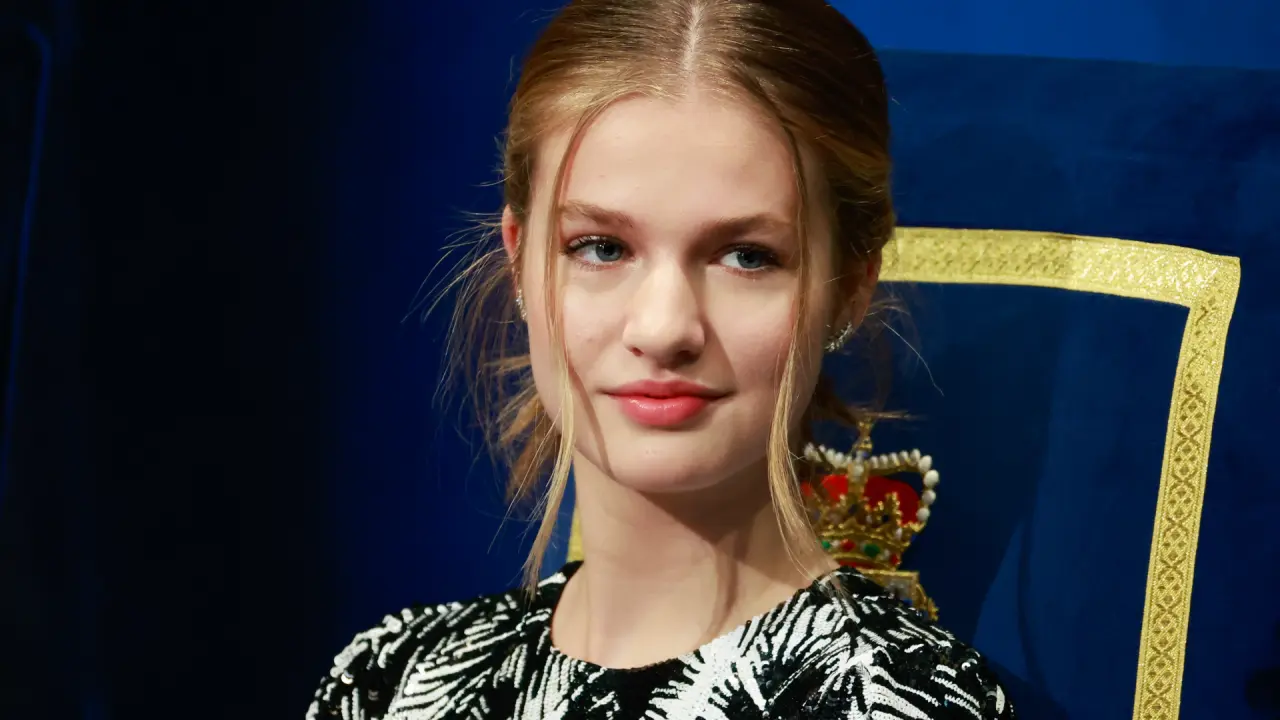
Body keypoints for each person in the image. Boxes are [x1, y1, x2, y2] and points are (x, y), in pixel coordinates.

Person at [307, 0, 1014, 717]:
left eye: (747, 256)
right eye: (601, 248)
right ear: (519, 260)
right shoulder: (387, 681)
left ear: (850, 290)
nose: (664, 327)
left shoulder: (894, 703)